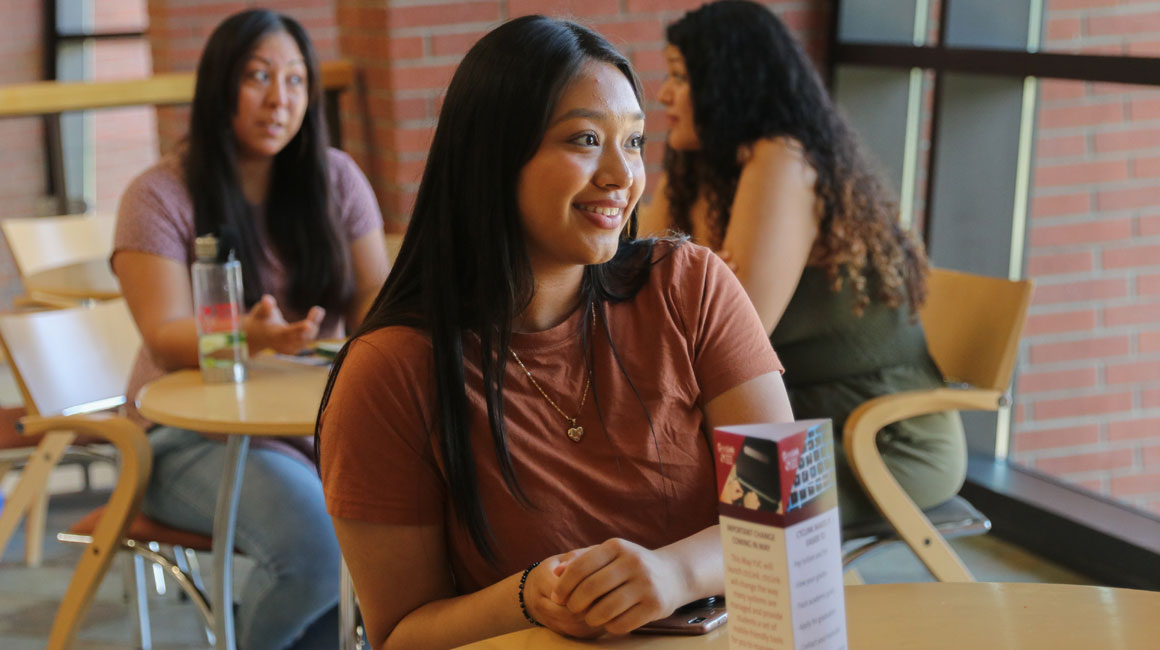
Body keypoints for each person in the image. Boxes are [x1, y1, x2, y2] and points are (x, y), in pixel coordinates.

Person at [316, 15, 793, 649]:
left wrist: (675, 573)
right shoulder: (390, 372)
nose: (623, 177)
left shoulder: (690, 285)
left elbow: (792, 514)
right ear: (494, 155)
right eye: (585, 139)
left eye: (634, 141)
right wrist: (527, 596)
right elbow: (401, 634)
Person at [112, 9, 389, 650]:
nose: (279, 98)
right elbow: (165, 336)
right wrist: (249, 336)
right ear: (219, 88)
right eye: (258, 76)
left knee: (409, 529)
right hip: (189, 437)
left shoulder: (337, 177)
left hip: (317, 428)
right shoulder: (159, 195)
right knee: (319, 553)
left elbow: (379, 299)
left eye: (295, 80)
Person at [638, 0, 966, 526]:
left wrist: (687, 297)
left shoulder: (782, 159)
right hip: (784, 425)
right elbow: (641, 283)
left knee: (670, 489)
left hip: (880, 442)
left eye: (680, 76)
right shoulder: (702, 169)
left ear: (730, 82)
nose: (663, 93)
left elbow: (731, 336)